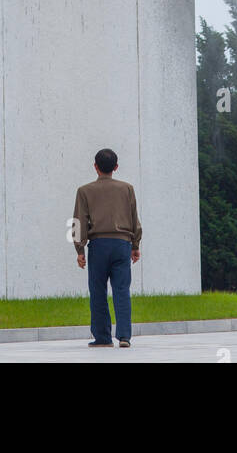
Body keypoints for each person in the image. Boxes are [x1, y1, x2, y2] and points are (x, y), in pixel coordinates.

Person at [72, 148, 142, 349]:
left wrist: (79, 250)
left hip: (99, 246)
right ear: (116, 167)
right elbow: (134, 219)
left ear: (95, 166)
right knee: (122, 290)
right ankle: (124, 336)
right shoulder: (127, 189)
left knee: (97, 291)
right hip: (122, 244)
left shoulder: (84, 191)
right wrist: (135, 245)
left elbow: (77, 222)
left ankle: (102, 337)